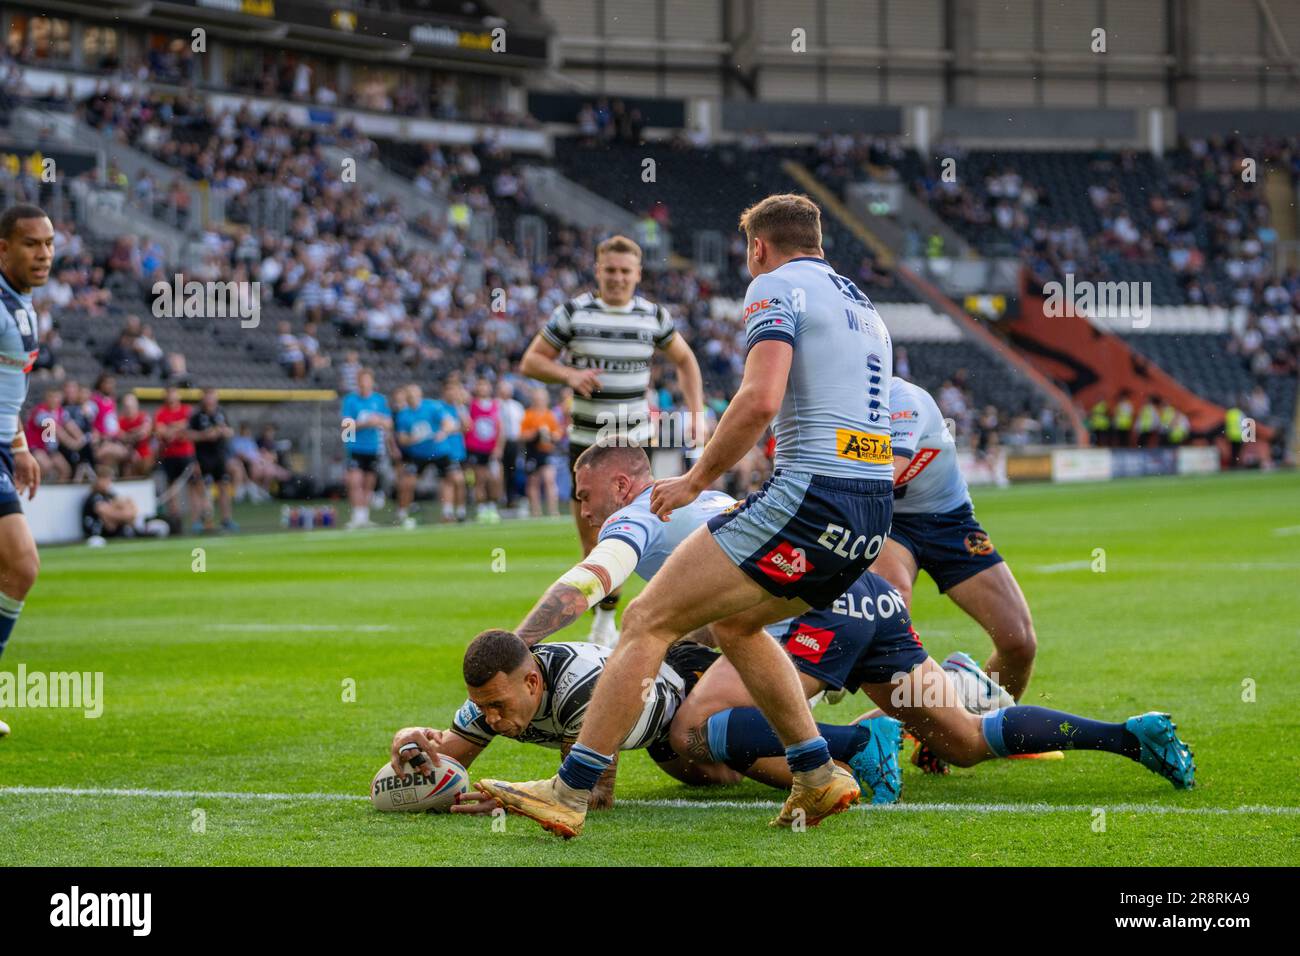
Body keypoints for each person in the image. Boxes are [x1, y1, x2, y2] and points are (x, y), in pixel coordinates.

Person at [478, 194, 897, 837]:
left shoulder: (774, 287)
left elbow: (759, 400)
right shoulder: (863, 306)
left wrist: (695, 478)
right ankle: (816, 773)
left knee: (647, 618)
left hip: (810, 498)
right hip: (871, 512)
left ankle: (570, 790)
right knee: (736, 625)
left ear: (758, 247)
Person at [519, 235, 705, 645]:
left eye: (625, 271)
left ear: (637, 274)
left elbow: (686, 360)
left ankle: (660, 616)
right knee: (594, 539)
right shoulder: (573, 313)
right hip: (585, 445)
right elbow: (531, 360)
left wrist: (696, 414)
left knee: (649, 531)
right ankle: (605, 618)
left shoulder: (652, 316)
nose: (618, 278)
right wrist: (568, 375)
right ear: (598, 271)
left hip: (634, 447)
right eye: (610, 270)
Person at [869, 378, 1038, 706]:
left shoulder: (903, 399)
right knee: (894, 618)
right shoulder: (832, 404)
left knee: (1018, 641)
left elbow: (883, 477)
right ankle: (884, 738)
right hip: (888, 522)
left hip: (951, 520)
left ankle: (980, 729)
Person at [0, 205, 49, 734]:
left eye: (49, 244)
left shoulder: (24, 306)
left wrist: (18, 445)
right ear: (3, 248)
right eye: (31, 244)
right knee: (21, 563)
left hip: (0, 447)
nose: (43, 254)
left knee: (19, 569)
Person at [340, 369, 391, 528]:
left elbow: (389, 423)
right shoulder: (350, 400)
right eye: (361, 381)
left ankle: (364, 516)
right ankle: (357, 515)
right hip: (355, 447)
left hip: (373, 448)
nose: (364, 384)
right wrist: (364, 423)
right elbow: (346, 427)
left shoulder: (379, 400)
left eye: (367, 381)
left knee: (369, 484)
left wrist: (380, 421)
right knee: (355, 482)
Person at [154, 385, 204, 529]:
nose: (171, 397)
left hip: (186, 454)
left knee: (193, 486)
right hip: (169, 455)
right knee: (172, 489)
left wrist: (171, 428)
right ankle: (175, 522)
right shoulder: (161, 413)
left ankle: (196, 520)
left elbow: (187, 427)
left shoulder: (186, 410)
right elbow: (161, 432)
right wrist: (177, 428)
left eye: (173, 393)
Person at [189, 388, 237, 533]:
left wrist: (224, 432)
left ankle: (226, 519)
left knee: (223, 487)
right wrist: (205, 435)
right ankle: (198, 521)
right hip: (202, 457)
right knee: (200, 489)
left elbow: (230, 431)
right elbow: (188, 435)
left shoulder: (221, 414)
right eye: (208, 397)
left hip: (219, 456)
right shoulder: (197, 416)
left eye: (213, 397)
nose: (210, 400)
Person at [463, 377, 502, 523]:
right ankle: (481, 509)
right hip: (476, 448)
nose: (482, 388)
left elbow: (500, 427)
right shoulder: (471, 405)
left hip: (491, 449)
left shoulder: (495, 405)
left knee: (494, 479)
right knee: (479, 479)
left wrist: (498, 447)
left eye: (485, 385)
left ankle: (492, 506)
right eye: (479, 385)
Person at [519, 387, 561, 518]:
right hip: (532, 451)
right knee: (533, 481)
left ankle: (553, 510)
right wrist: (535, 433)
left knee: (549, 479)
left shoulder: (549, 415)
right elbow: (521, 435)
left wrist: (551, 435)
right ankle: (536, 511)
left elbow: (558, 433)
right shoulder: (528, 415)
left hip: (546, 451)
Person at [81, 465, 139, 541]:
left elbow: (130, 507)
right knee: (108, 520)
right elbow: (107, 517)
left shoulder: (110, 495)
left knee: (128, 502)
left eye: (109, 480)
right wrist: (125, 516)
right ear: (98, 479)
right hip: (98, 536)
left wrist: (121, 512)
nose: (108, 483)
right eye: (105, 479)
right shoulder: (93, 497)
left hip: (113, 532)